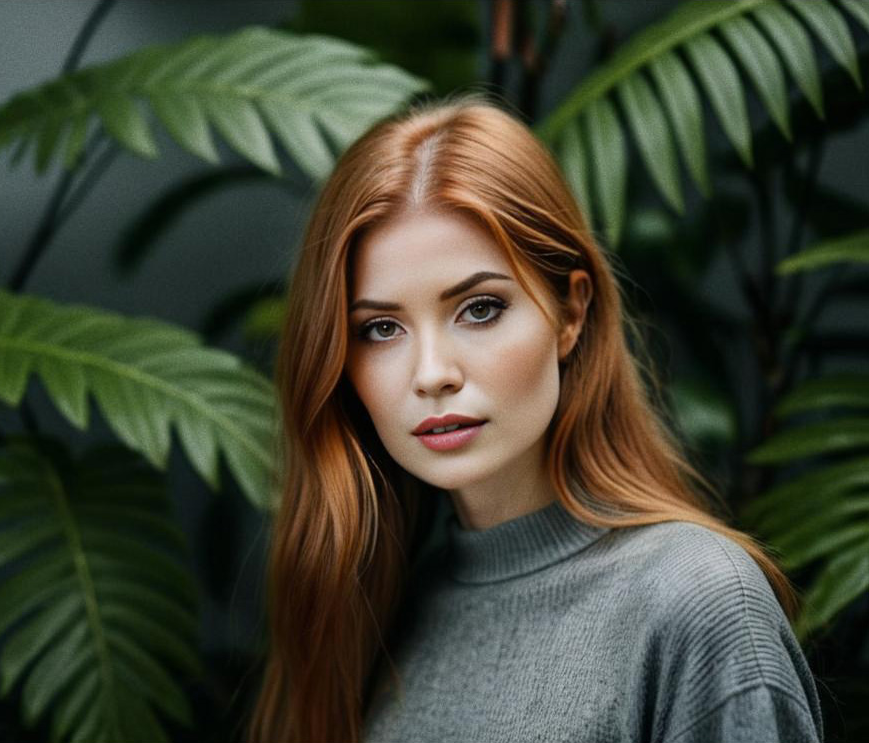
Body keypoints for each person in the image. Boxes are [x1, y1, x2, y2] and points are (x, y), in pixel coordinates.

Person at [244, 91, 825, 743]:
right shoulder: (371, 609)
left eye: (480, 309)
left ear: (570, 313)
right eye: (380, 328)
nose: (432, 372)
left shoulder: (694, 599)